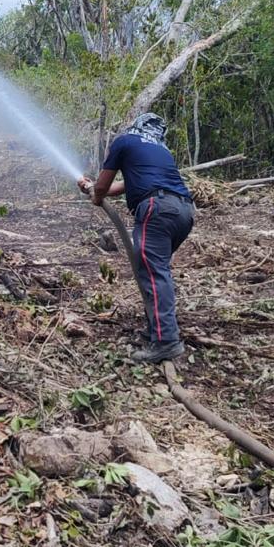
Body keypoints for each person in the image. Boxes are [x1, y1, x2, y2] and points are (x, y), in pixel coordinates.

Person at [78, 113, 195, 363]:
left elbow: (103, 187)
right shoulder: (161, 149)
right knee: (154, 271)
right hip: (183, 212)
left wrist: (96, 195)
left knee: (154, 272)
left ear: (136, 126)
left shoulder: (125, 141)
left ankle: (166, 341)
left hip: (157, 208)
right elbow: (123, 186)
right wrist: (94, 189)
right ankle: (158, 331)